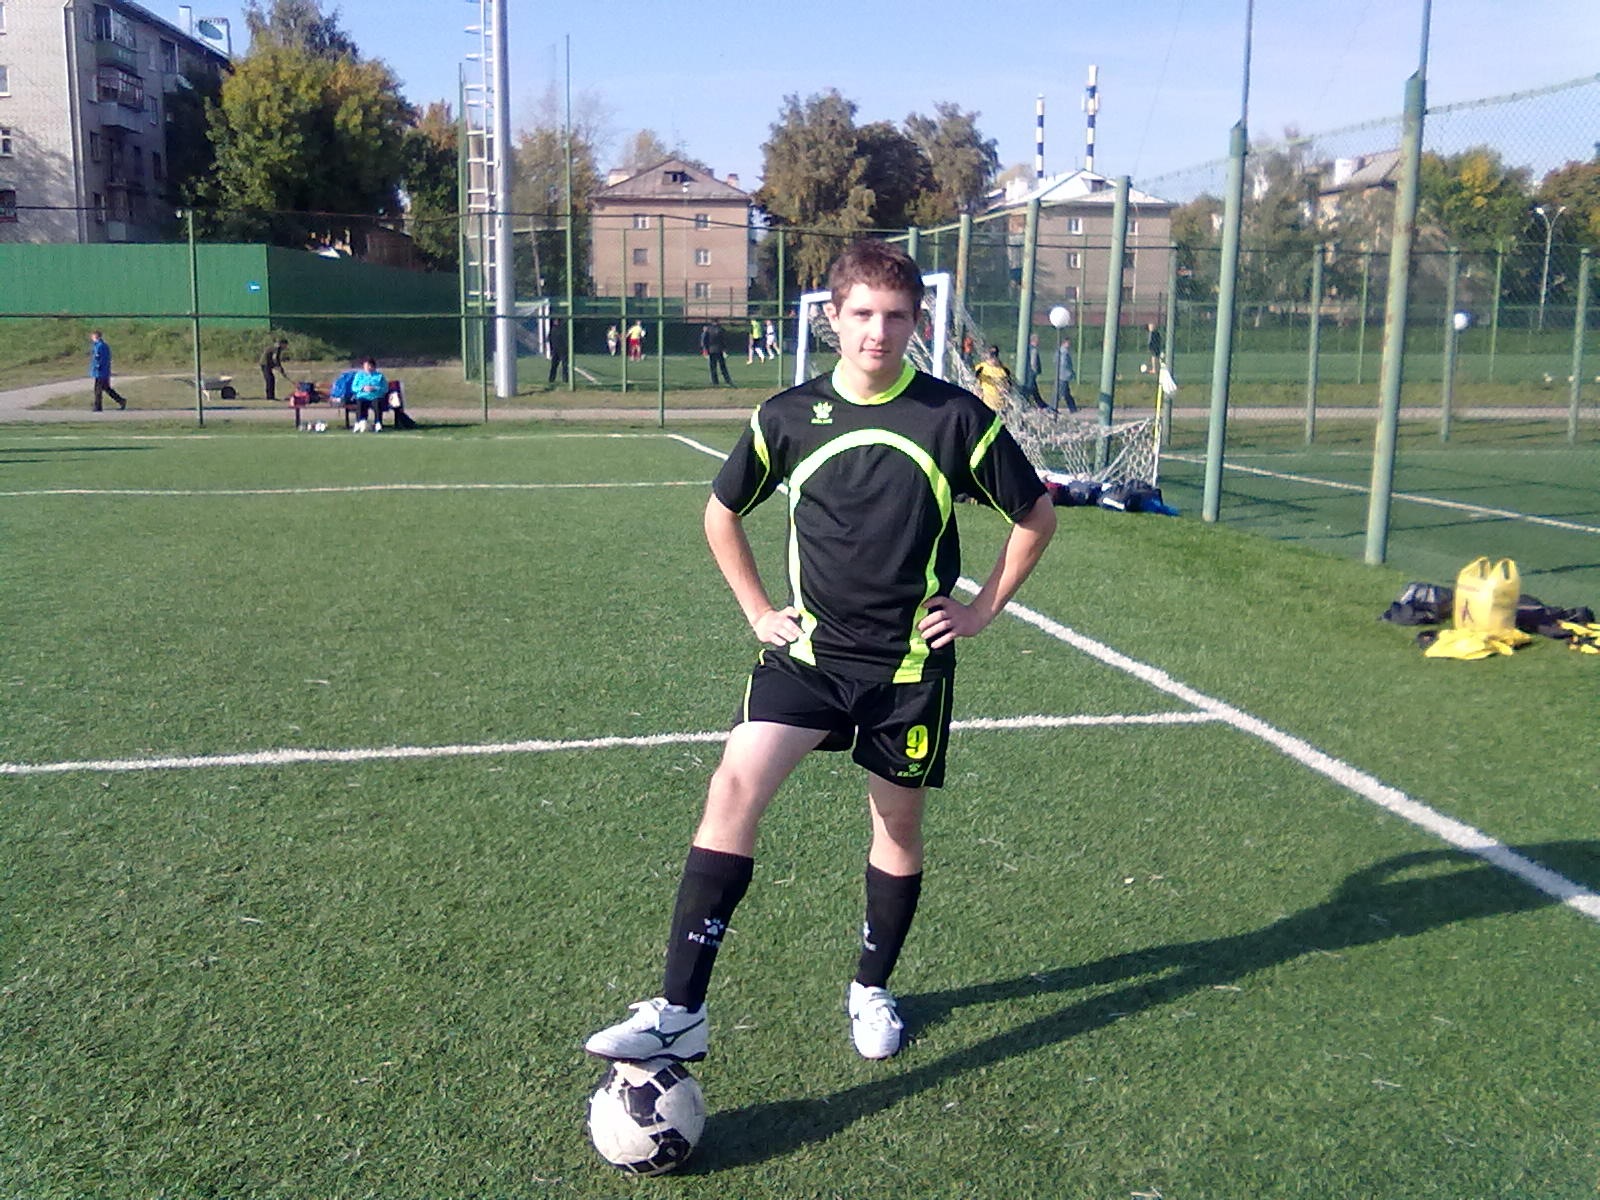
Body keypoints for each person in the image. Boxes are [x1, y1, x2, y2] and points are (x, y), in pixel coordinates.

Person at [584, 239, 1055, 1067]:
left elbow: (1035, 516)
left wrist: (982, 608)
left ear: (917, 323)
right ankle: (681, 1009)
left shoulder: (954, 418)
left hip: (907, 671)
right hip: (807, 660)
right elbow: (722, 513)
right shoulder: (787, 415)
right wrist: (758, 610)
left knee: (895, 824)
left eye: (896, 316)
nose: (878, 331)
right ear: (832, 318)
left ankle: (871, 987)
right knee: (733, 785)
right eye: (862, 314)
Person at [88, 330, 127, 411]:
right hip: (103, 371)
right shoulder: (100, 345)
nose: (91, 338)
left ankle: (98, 406)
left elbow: (99, 358)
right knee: (106, 388)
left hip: (100, 371)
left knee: (98, 389)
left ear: (96, 337)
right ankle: (121, 400)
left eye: (93, 336)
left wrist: (97, 366)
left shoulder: (100, 346)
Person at [350, 357, 388, 432]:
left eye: (370, 366)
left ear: (374, 366)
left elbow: (385, 388)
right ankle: (359, 423)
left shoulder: (379, 376)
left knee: (377, 403)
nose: (368, 368)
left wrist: (375, 388)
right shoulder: (359, 375)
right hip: (363, 396)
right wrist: (362, 388)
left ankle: (378, 423)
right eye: (366, 366)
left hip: (375, 397)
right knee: (360, 403)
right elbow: (354, 388)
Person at [972, 344, 1012, 412]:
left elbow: (1008, 386)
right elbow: (974, 380)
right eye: (991, 355)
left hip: (1000, 406)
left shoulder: (1003, 370)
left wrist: (1005, 388)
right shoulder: (981, 368)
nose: (993, 357)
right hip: (986, 404)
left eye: (995, 354)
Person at [701, 320, 734, 386]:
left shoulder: (708, 330)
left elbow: (704, 340)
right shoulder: (721, 329)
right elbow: (723, 340)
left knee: (713, 367)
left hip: (711, 350)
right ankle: (727, 380)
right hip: (719, 350)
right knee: (723, 367)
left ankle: (715, 381)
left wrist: (705, 349)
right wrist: (725, 349)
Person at [259, 337, 290, 402]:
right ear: (282, 344)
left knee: (271, 379)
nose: (286, 347)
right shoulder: (277, 348)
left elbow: (276, 359)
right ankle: (270, 397)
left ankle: (271, 396)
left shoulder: (277, 348)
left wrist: (280, 368)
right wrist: (278, 367)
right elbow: (275, 358)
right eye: (285, 345)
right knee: (269, 379)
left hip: (268, 364)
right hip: (265, 363)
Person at [1021, 333, 1046, 409]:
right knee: (1030, 389)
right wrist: (1035, 371)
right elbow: (1033, 362)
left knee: (1034, 390)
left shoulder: (1028, 349)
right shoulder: (1033, 350)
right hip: (1031, 373)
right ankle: (1037, 405)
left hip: (1029, 373)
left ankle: (1041, 405)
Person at [1054, 338, 1078, 413]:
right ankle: (1052, 407)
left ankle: (1073, 408)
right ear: (1064, 343)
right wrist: (1070, 372)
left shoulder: (1059, 351)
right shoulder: (1064, 352)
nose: (1069, 345)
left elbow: (1055, 361)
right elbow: (1064, 363)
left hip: (1061, 375)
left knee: (1066, 393)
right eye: (1068, 343)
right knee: (1060, 393)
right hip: (1063, 376)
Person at [547, 318, 569, 385]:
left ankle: (565, 379)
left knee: (564, 365)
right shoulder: (553, 329)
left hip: (563, 350)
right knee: (554, 365)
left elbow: (566, 339)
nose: (556, 322)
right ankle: (551, 379)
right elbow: (550, 339)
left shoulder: (563, 329)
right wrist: (551, 349)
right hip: (555, 350)